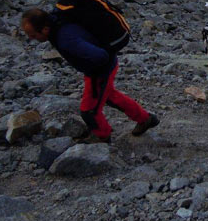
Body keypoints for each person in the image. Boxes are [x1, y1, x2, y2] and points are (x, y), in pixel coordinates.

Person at [21, 8, 159, 143]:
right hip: (106, 66)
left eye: (33, 35)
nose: (31, 39)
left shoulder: (65, 39)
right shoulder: (58, 23)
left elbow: (101, 56)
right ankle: (145, 119)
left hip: (100, 71)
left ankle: (102, 137)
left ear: (44, 29)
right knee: (109, 96)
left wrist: (95, 76)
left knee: (89, 111)